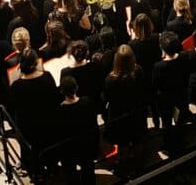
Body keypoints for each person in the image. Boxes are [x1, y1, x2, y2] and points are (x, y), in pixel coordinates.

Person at [9, 48, 60, 178]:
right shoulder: (47, 77)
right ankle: (52, 168)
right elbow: (55, 98)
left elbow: (13, 107)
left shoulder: (17, 86)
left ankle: (35, 173)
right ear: (36, 62)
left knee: (32, 151)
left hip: (28, 127)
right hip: (48, 122)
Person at [103, 45, 147, 178]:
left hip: (119, 115)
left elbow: (107, 97)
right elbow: (144, 89)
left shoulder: (111, 79)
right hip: (136, 112)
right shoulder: (138, 71)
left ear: (116, 60)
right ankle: (139, 164)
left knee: (122, 143)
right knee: (137, 139)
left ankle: (123, 165)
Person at [55, 75, 100, 185]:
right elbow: (93, 124)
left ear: (62, 91)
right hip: (86, 144)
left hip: (69, 148)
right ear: (76, 88)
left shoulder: (59, 111)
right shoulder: (87, 102)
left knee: (71, 174)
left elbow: (59, 133)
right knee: (88, 172)